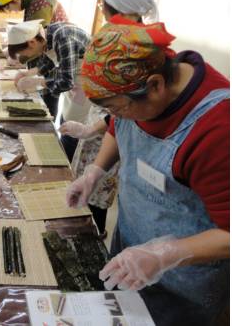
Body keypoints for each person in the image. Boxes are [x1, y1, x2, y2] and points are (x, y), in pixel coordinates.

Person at [66, 18, 229, 325]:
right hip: (132, 242)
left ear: (155, 85)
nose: (113, 117)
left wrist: (164, 255)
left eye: (117, 106)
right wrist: (95, 171)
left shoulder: (219, 130)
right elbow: (119, 124)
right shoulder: (138, 91)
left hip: (184, 280)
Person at [59, 0, 159, 238]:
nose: (101, 8)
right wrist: (89, 127)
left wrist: (93, 129)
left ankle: (93, 231)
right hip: (105, 120)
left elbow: (129, 110)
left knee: (100, 192)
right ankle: (85, 224)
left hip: (113, 128)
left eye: (104, 4)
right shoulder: (112, 34)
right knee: (87, 178)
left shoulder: (141, 46)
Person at [7, 20, 90, 158]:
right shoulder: (47, 35)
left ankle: (67, 164)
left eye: (26, 52)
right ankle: (62, 152)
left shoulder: (63, 37)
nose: (28, 56)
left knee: (73, 125)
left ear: (32, 42)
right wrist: (28, 73)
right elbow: (50, 59)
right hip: (75, 80)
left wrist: (38, 82)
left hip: (87, 84)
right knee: (66, 119)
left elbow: (66, 81)